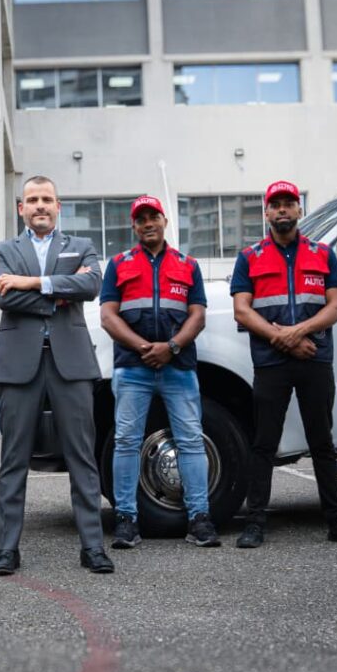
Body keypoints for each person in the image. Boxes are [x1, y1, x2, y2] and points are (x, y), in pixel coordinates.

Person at [0, 175, 113, 575]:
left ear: (58, 207)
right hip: (18, 364)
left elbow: (91, 285)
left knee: (82, 457)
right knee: (13, 460)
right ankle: (6, 549)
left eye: (47, 199)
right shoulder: (2, 250)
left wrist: (33, 283)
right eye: (32, 199)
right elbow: (3, 295)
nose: (40, 205)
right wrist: (58, 295)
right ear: (21, 208)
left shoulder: (82, 246)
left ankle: (93, 546)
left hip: (70, 363)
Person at [231, 180, 337, 548]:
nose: (282, 209)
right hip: (271, 363)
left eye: (288, 203)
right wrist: (285, 340)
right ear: (266, 212)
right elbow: (242, 310)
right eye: (275, 204)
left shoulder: (324, 255)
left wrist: (297, 332)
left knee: (322, 442)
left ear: (298, 210)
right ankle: (255, 523)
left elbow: (335, 307)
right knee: (264, 443)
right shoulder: (249, 257)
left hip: (315, 359)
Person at [99, 195, 220, 550]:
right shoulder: (118, 265)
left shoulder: (187, 265)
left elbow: (198, 315)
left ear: (165, 221)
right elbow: (108, 316)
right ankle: (126, 520)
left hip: (178, 366)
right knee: (126, 442)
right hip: (132, 368)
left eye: (154, 217)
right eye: (141, 219)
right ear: (134, 226)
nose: (148, 223)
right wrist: (143, 348)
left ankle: (199, 518)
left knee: (191, 441)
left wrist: (172, 347)